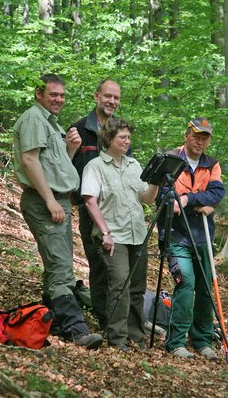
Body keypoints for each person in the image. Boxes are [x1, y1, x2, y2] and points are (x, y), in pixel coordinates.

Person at [13, 74, 103, 349]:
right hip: (44, 203)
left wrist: (70, 149)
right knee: (61, 267)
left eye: (62, 95)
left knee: (57, 264)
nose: (59, 99)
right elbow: (29, 160)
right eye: (53, 94)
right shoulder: (33, 118)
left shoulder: (51, 123)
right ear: (39, 93)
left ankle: (48, 319)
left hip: (58, 201)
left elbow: (53, 165)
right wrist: (50, 200)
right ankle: (76, 330)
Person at [81, 118, 159, 352]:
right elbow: (90, 201)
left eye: (128, 137)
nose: (127, 141)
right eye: (122, 137)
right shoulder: (95, 166)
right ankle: (117, 338)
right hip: (113, 237)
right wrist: (105, 233)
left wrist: (155, 181)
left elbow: (145, 199)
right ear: (109, 139)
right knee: (119, 285)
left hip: (137, 234)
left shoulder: (134, 165)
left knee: (137, 288)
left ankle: (136, 336)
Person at [162, 117, 225, 359]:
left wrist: (190, 199)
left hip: (203, 235)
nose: (200, 141)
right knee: (185, 284)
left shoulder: (212, 164)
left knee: (205, 287)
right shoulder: (171, 159)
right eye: (196, 136)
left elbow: (217, 192)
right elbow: (166, 196)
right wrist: (199, 200)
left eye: (205, 137)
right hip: (177, 235)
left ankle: (202, 340)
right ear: (187, 135)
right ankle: (176, 342)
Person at [70, 79, 124, 330]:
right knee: (99, 264)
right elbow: (66, 169)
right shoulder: (79, 129)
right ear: (96, 97)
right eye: (107, 96)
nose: (112, 101)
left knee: (120, 266)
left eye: (116, 98)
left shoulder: (120, 132)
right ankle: (105, 320)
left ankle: (118, 320)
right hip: (89, 208)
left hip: (118, 210)